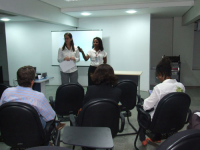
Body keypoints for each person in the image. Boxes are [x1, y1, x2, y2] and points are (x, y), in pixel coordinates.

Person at [0, 66, 64, 130]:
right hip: (32, 131)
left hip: (10, 128)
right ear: (32, 82)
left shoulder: (6, 92)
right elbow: (51, 117)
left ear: (18, 79)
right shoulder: (39, 96)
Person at [139, 57, 185, 146]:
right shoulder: (181, 86)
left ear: (161, 74)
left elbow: (146, 106)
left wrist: (143, 102)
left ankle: (143, 139)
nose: (158, 77)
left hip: (159, 124)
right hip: (177, 121)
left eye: (157, 75)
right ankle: (157, 138)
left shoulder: (159, 88)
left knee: (141, 110)